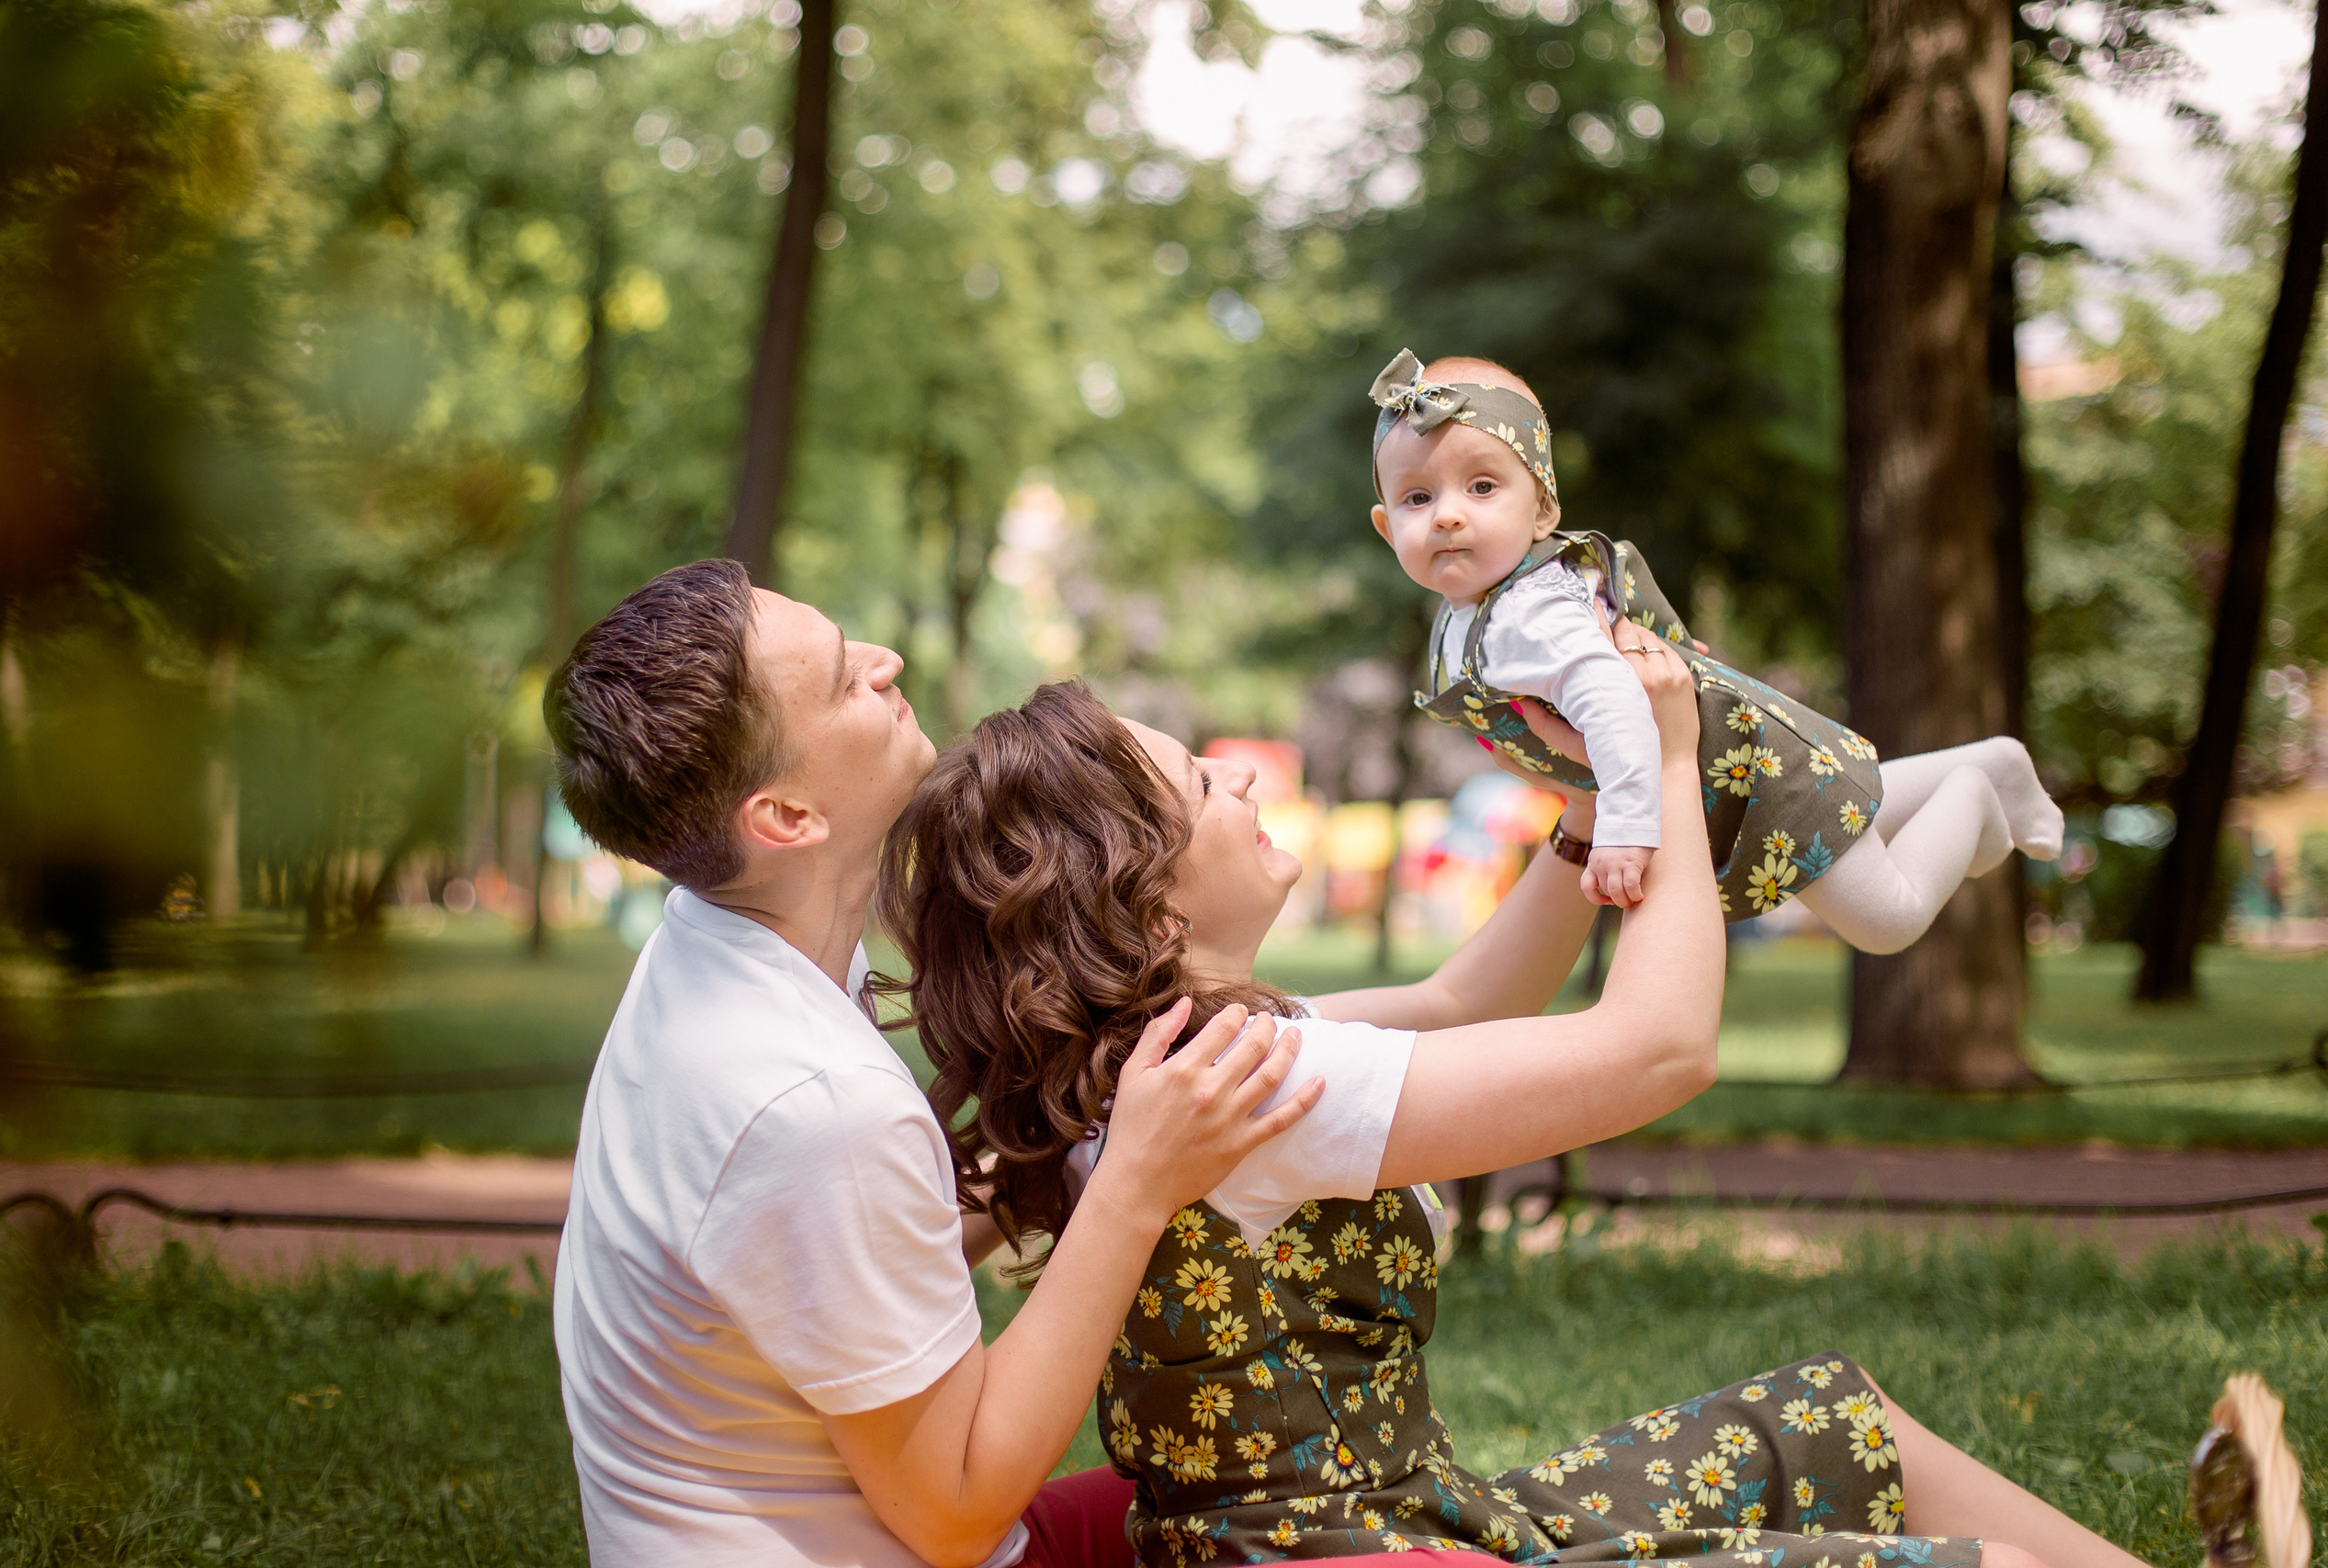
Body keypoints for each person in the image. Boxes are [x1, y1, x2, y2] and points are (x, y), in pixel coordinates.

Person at [876, 660, 2153, 1568]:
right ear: (1153, 914)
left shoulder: (1145, 1067)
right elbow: (1657, 1049)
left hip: (1402, 1514)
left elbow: (1463, 992)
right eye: (1206, 783)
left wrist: (1595, 801)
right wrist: (1664, 766)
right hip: (1361, 1551)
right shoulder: (1254, 1087)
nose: (1243, 783)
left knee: (1837, 1415)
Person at [540, 559, 1333, 1568]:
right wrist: (1133, 1180)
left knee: (1287, 1480)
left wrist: (1046, 1148)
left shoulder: (710, 939)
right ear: (784, 818)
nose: (886, 661)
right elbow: (957, 1511)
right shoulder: (809, 1103)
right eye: (840, 679)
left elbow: (835, 1245)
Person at [1365, 348, 2065, 953]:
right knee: (1849, 809)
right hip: (1729, 770)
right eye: (1418, 497)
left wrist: (1626, 830)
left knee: (1886, 920)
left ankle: (1973, 790)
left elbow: (1611, 706)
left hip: (1738, 780)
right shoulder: (1480, 611)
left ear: (1543, 510)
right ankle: (1989, 763)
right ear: (1386, 525)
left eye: (1483, 486)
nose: (1449, 513)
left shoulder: (1530, 613)